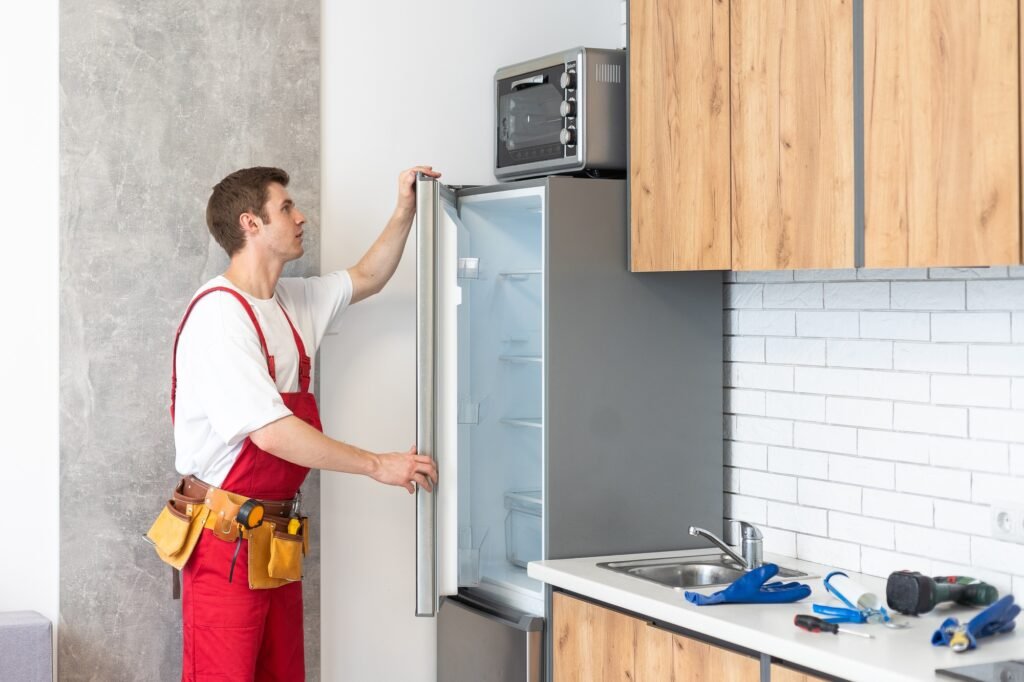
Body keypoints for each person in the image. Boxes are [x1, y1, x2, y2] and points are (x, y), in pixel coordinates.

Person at [167, 165, 440, 681]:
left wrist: (405, 207)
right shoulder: (219, 316)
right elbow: (271, 432)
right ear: (251, 223)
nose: (301, 216)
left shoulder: (292, 303)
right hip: (223, 540)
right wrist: (378, 464)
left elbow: (369, 276)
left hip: (274, 539)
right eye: (287, 208)